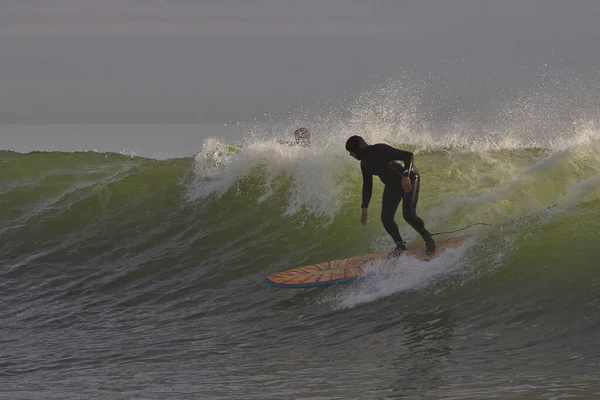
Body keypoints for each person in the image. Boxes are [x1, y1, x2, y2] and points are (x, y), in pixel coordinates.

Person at [345, 135, 435, 257]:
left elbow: (409, 155)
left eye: (351, 151)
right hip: (392, 185)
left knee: (408, 215)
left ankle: (428, 238)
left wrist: (406, 175)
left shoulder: (380, 150)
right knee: (386, 218)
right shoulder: (365, 163)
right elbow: (367, 184)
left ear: (358, 149)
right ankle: (400, 245)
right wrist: (364, 206)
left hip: (409, 178)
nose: (351, 155)